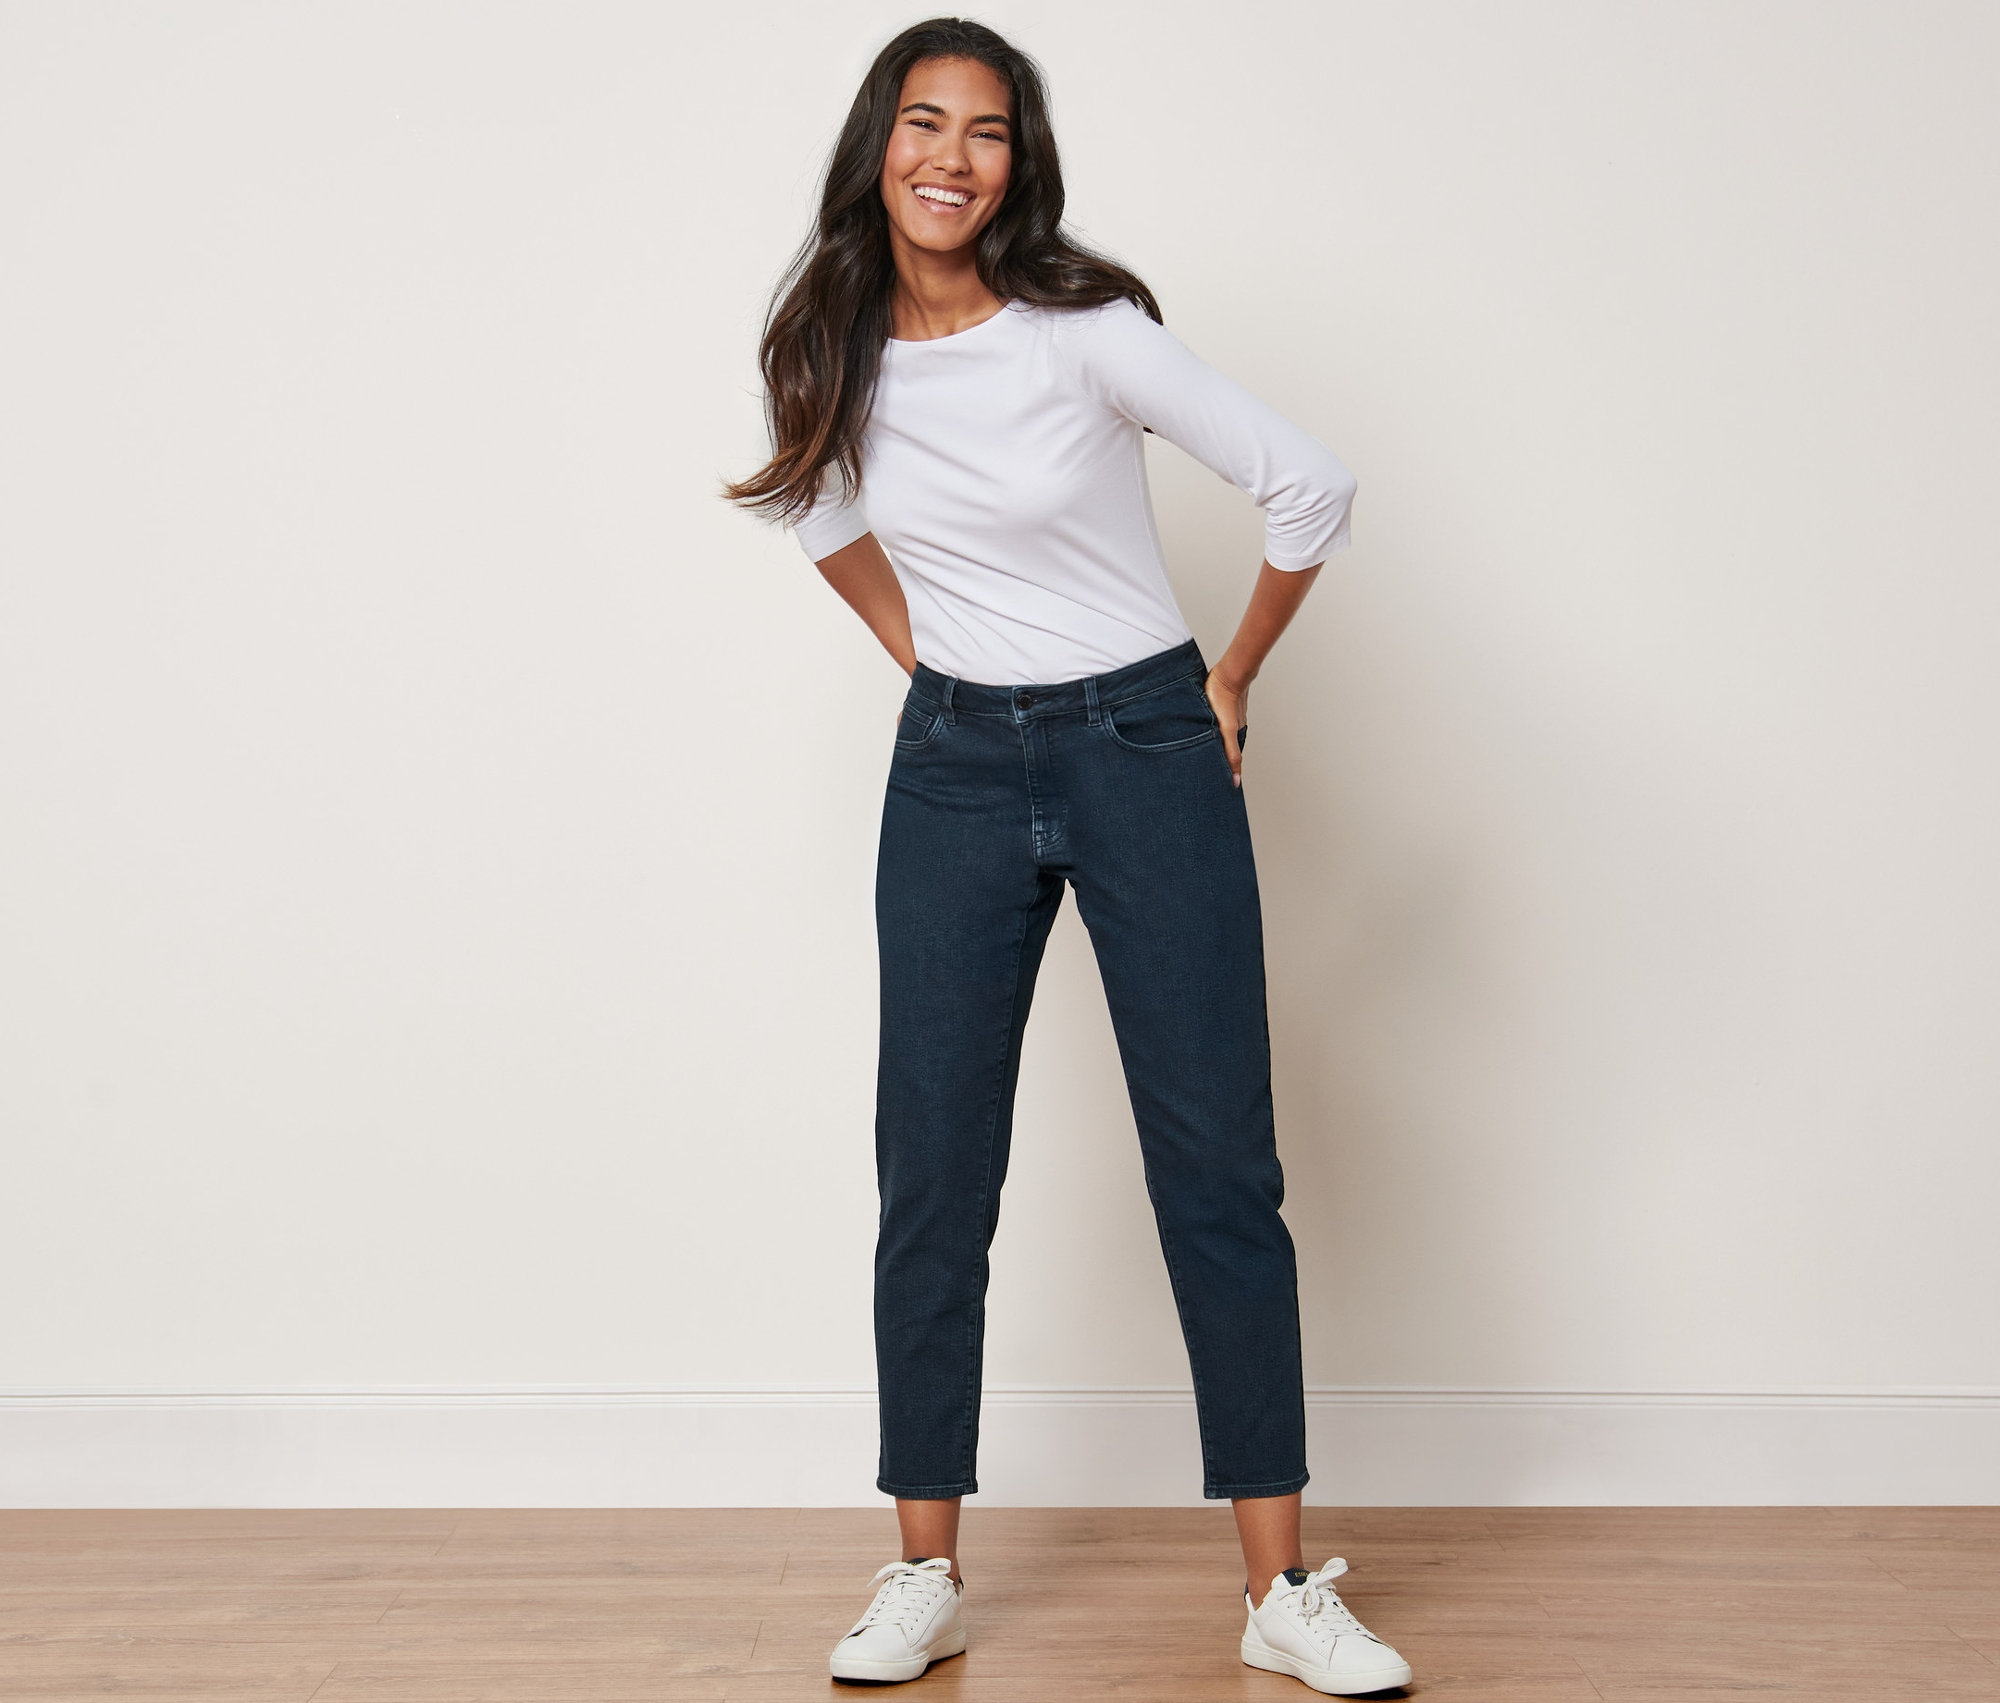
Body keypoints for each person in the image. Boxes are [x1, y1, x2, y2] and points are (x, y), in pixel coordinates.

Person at [726, 18, 1411, 1696]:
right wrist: (933, 658)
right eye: (922, 123)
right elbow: (815, 512)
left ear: (1018, 164)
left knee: (1215, 1165)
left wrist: (1226, 674)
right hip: (955, 762)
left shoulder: (1087, 334)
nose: (950, 158)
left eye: (986, 132)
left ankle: (1277, 1590)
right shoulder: (830, 344)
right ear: (877, 146)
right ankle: (923, 1571)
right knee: (934, 1169)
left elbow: (1307, 485)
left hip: (1145, 749)